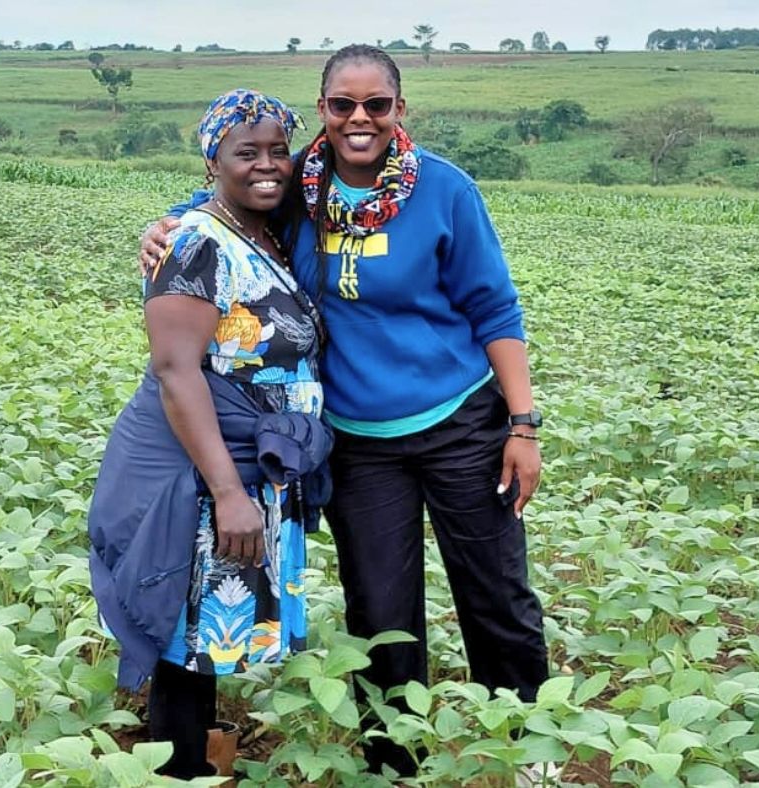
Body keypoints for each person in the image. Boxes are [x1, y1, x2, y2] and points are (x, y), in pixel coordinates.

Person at [140, 45, 548, 778]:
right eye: (342, 105)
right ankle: (395, 763)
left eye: (377, 105)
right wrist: (164, 225)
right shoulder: (302, 181)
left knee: (496, 593)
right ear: (323, 111)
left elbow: (495, 307)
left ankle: (524, 750)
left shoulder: (445, 190)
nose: (360, 119)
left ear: (400, 110)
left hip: (460, 424)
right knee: (382, 612)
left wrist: (522, 425)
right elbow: (233, 192)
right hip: (358, 443)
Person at [89, 89, 331, 780]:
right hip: (207, 470)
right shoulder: (195, 242)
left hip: (254, 464)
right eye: (245, 152)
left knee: (200, 637)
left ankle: (193, 759)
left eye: (278, 151)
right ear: (212, 160)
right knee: (183, 640)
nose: (267, 165)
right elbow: (176, 371)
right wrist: (228, 491)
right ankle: (179, 771)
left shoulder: (263, 229)